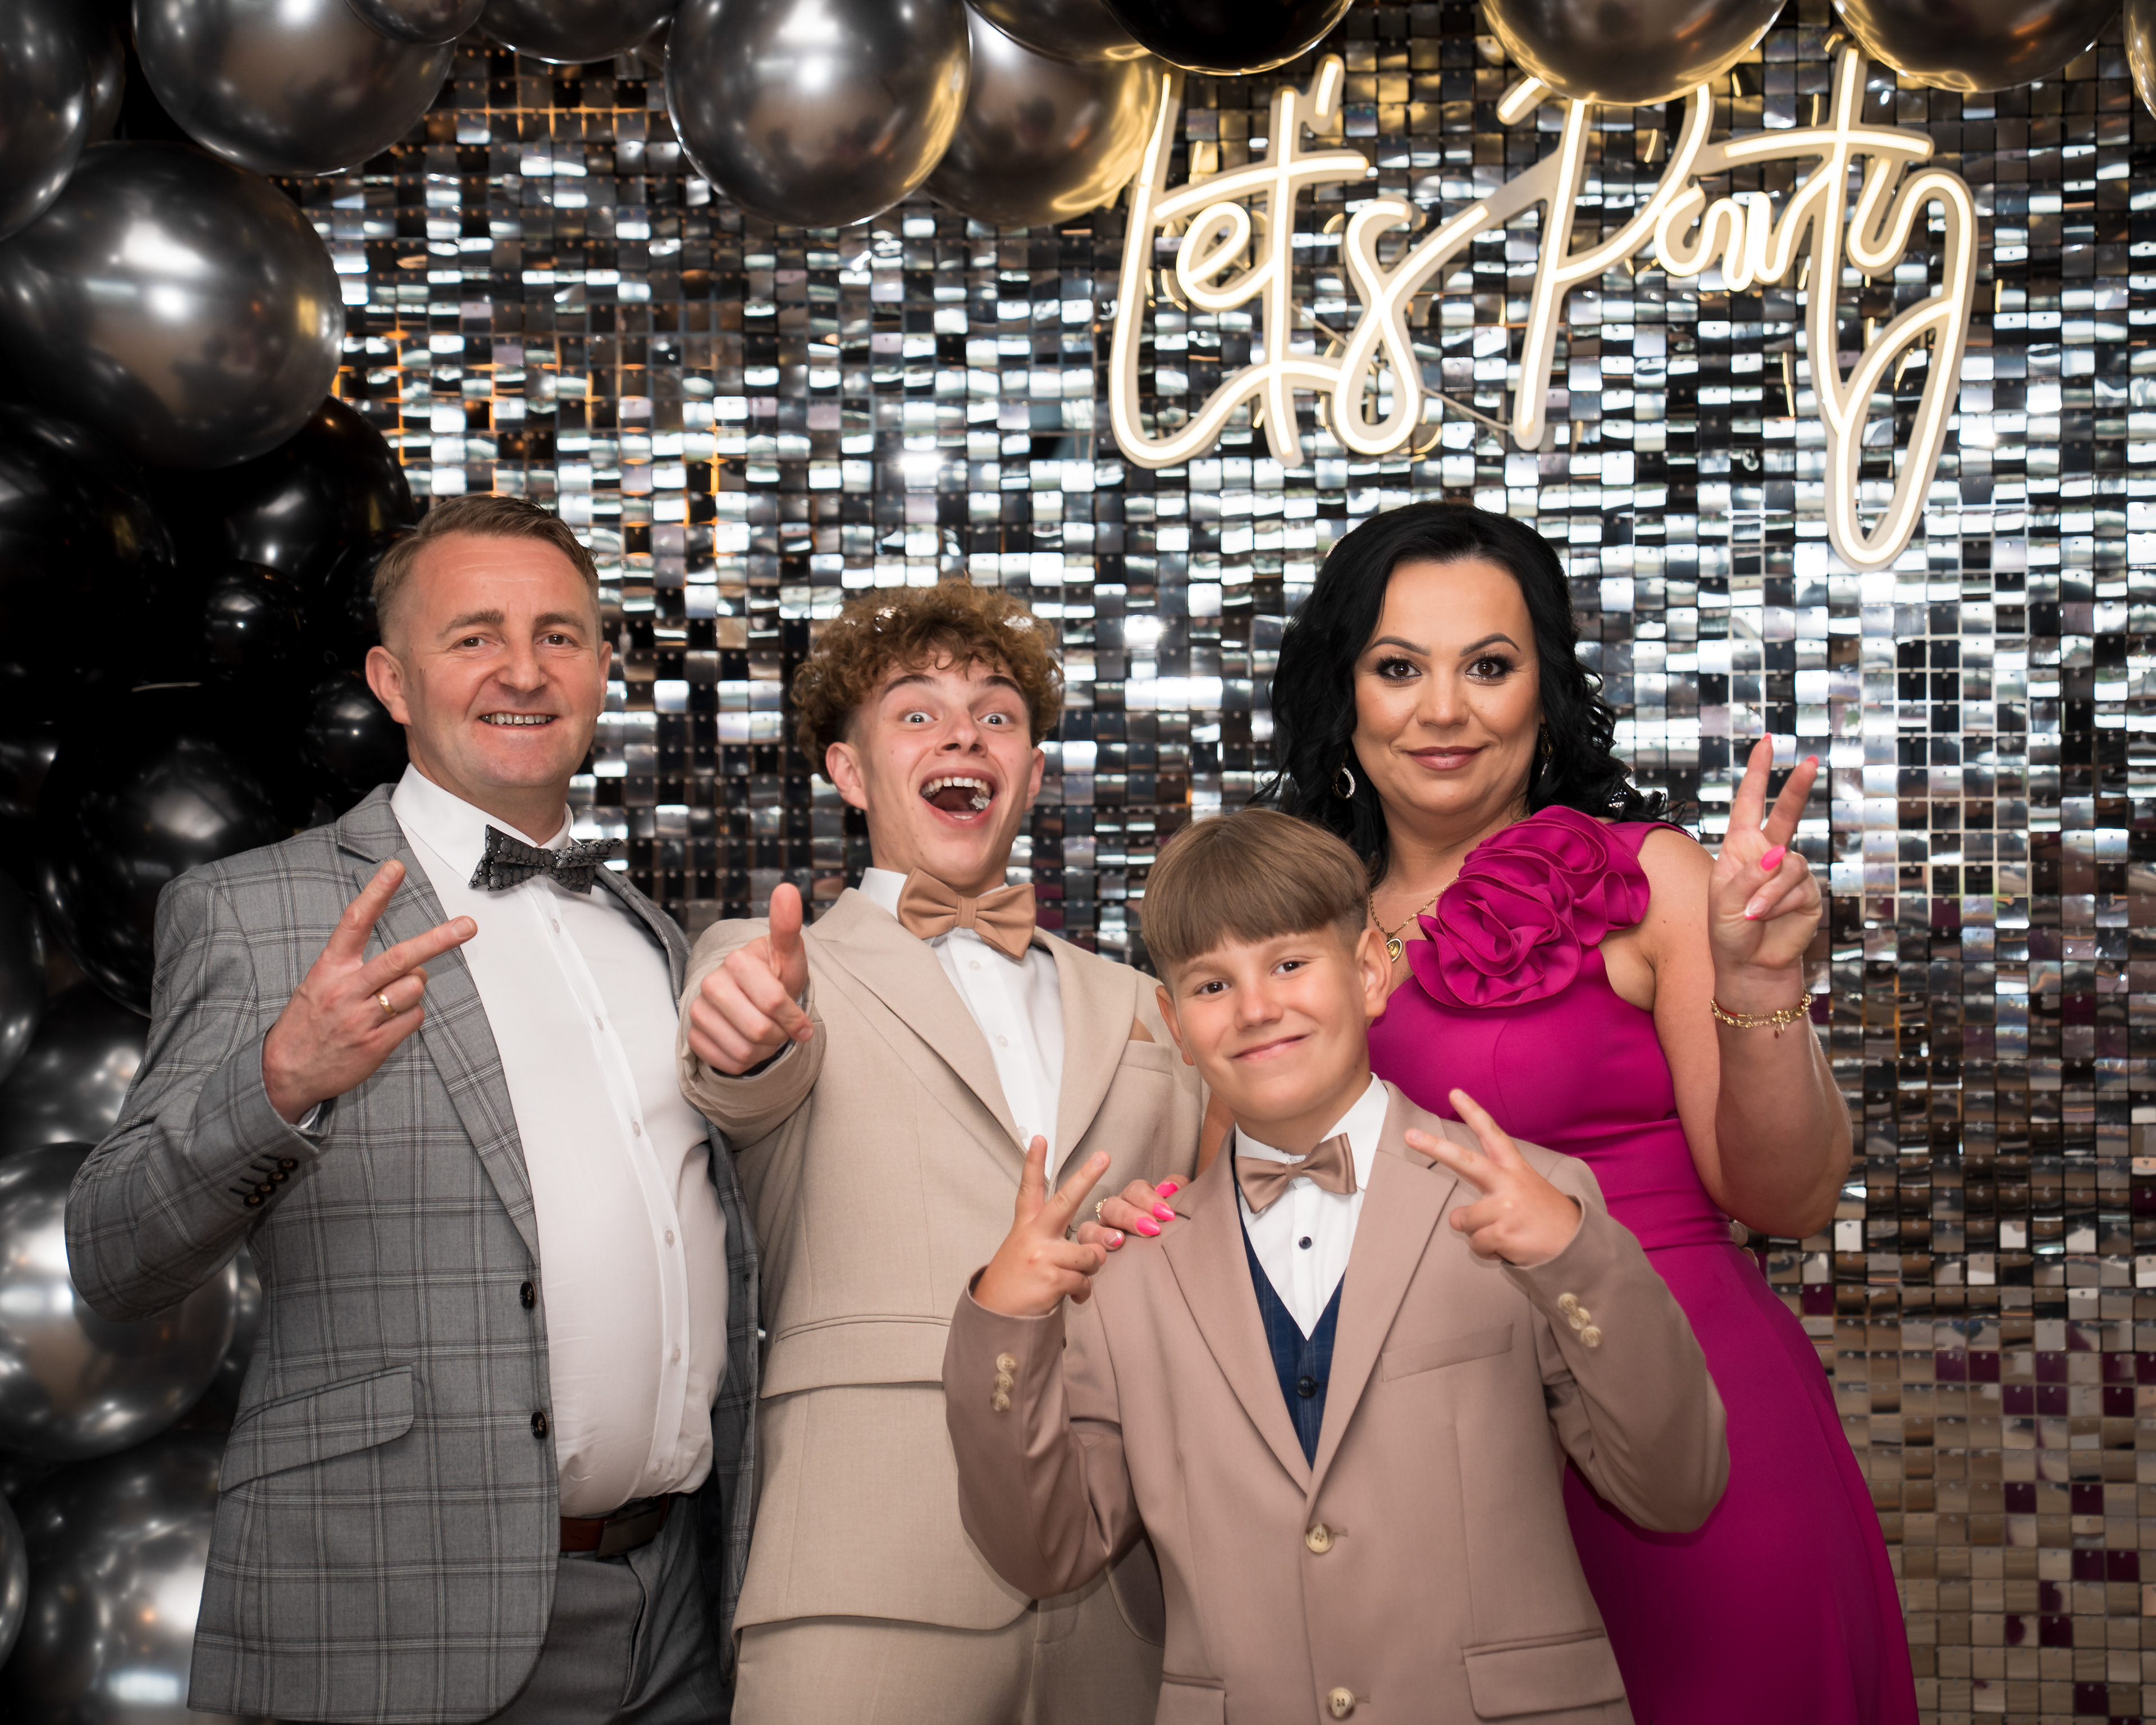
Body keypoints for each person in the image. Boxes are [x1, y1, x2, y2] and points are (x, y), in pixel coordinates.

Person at [1103, 501, 1911, 1723]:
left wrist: (1758, 986)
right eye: (1398, 669)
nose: (1444, 710)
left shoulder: (1650, 878)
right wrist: (1137, 1233)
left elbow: (1788, 1199)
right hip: (1421, 1487)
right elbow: (1238, 1230)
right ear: (1344, 695)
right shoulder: (1287, 935)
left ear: (1546, 693)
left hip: (1679, 1424)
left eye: (1488, 666)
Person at [66, 495, 759, 1725]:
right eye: (474, 636)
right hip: (398, 1611)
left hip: (676, 1610)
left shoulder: (651, 934)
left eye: (558, 636)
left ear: (600, 670)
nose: (523, 671)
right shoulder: (257, 912)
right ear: (392, 681)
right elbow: (114, 1258)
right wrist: (278, 1084)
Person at [945, 806, 1728, 1725]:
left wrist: (1576, 1259)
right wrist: (1004, 1322)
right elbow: (1046, 1553)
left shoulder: (1536, 1201)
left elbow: (1677, 1488)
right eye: (1211, 985)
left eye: (1289, 964)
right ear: (1175, 1025)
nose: (1256, 1009)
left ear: (1367, 973)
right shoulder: (1131, 1273)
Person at [674, 582, 1203, 1724]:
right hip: (868, 1573)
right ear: (849, 772)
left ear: (1033, 773)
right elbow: (742, 1069)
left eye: (995, 715)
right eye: (917, 714)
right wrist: (748, 1030)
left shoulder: (1147, 1004)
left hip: (1123, 1582)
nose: (964, 735)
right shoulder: (768, 966)